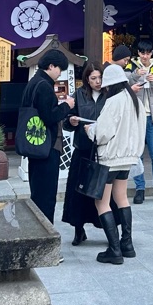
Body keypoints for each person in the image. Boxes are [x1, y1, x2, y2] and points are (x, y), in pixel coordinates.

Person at [85, 63, 147, 264]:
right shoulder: (134, 100)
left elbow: (102, 132)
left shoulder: (113, 102)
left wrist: (90, 131)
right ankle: (127, 244)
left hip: (110, 157)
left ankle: (114, 250)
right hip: (128, 157)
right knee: (122, 198)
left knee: (101, 202)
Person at [113, 42, 153, 205]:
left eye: (148, 53)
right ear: (138, 53)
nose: (145, 56)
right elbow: (121, 87)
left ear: (152, 53)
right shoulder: (130, 68)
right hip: (136, 118)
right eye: (142, 53)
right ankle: (140, 189)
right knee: (136, 155)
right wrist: (136, 75)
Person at [23, 48, 75, 222]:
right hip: (47, 146)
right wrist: (67, 105)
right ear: (51, 66)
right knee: (46, 195)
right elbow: (50, 116)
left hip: (34, 144)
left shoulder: (33, 82)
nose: (60, 74)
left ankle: (37, 229)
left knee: (37, 191)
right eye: (59, 69)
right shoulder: (44, 86)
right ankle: (46, 235)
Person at [62, 62, 105, 246]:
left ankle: (111, 229)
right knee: (78, 192)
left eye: (100, 78)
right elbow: (66, 122)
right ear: (86, 79)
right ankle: (79, 230)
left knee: (104, 192)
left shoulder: (109, 94)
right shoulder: (79, 95)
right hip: (83, 148)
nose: (97, 82)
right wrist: (71, 121)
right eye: (93, 78)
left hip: (103, 150)